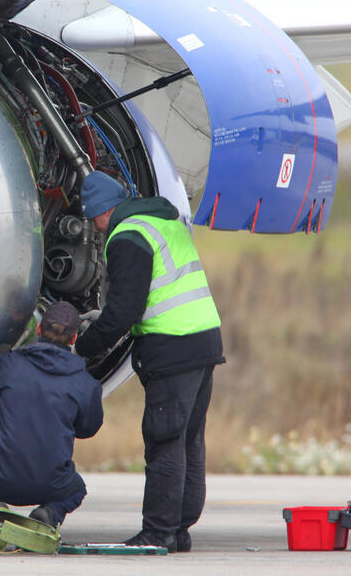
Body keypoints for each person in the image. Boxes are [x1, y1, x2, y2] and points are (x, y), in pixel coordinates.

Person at [75, 170, 224, 553]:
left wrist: (84, 347)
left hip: (172, 347)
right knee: (189, 437)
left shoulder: (128, 237)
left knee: (164, 439)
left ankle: (158, 531)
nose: (95, 227)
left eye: (94, 219)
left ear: (103, 212)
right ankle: (179, 529)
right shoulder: (163, 220)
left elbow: (123, 312)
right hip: (202, 339)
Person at [0, 301, 104, 528]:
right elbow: (87, 429)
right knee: (76, 491)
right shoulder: (86, 384)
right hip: (52, 483)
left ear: (38, 329)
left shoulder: (9, 365)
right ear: (74, 338)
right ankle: (49, 515)